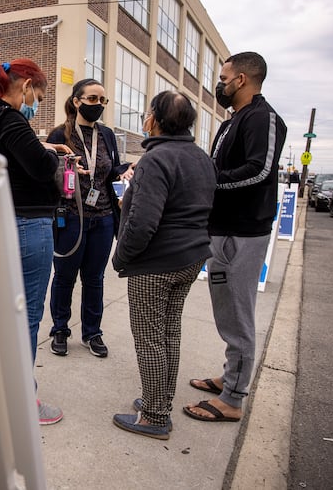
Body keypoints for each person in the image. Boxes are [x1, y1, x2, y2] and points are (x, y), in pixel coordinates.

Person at [0, 58, 72, 425]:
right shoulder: (9, 118)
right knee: (27, 316)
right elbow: (37, 167)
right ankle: (22, 402)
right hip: (28, 224)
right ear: (25, 87)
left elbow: (15, 154)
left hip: (0, 220)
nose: (37, 103)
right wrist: (52, 159)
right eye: (38, 94)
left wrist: (44, 149)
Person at [185, 52, 287, 423]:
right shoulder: (235, 120)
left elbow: (258, 171)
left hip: (242, 234)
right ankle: (230, 378)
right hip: (223, 230)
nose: (220, 83)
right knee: (227, 313)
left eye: (224, 77)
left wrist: (209, 181)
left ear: (242, 79)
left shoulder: (264, 118)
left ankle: (233, 399)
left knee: (239, 318)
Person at [110, 91, 216, 440]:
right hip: (191, 257)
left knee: (150, 339)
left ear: (154, 119)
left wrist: (121, 257)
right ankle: (160, 400)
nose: (144, 119)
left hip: (156, 262)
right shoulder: (201, 157)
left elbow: (143, 223)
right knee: (169, 332)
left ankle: (154, 416)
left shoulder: (156, 160)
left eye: (146, 113)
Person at [46, 79, 133, 358]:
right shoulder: (60, 134)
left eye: (102, 101)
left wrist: (127, 169)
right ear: (76, 101)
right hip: (71, 217)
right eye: (92, 99)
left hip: (104, 217)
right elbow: (50, 171)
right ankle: (60, 329)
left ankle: (92, 332)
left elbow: (109, 169)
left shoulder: (106, 134)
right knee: (64, 276)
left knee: (95, 278)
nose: (98, 105)